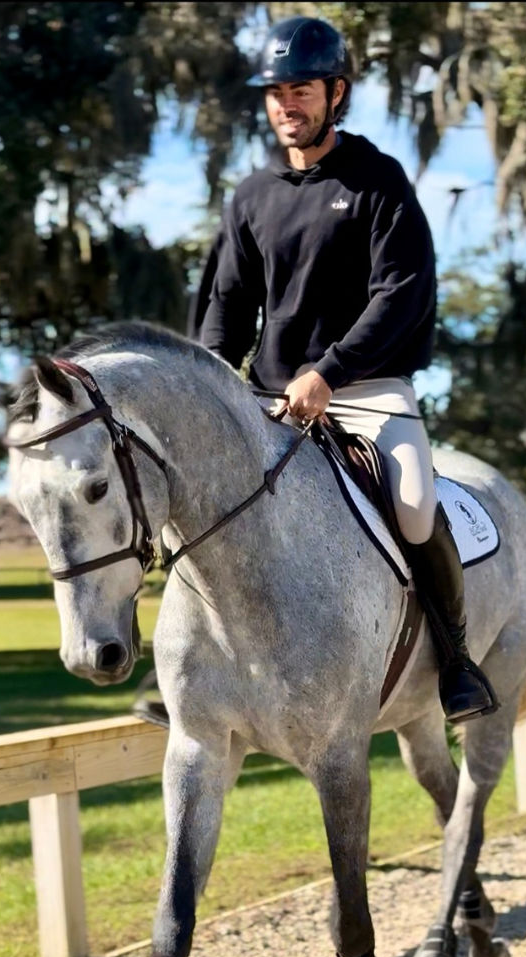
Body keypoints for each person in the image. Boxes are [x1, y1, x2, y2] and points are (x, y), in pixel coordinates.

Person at [195, 15, 496, 721]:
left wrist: (328, 372)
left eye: (300, 91)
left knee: (414, 506)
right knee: (198, 501)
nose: (286, 105)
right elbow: (227, 302)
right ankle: (194, 667)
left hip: (366, 390)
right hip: (270, 397)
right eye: (276, 93)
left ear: (337, 93)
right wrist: (208, 383)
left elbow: (401, 293)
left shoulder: (377, 181)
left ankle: (456, 660)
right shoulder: (251, 195)